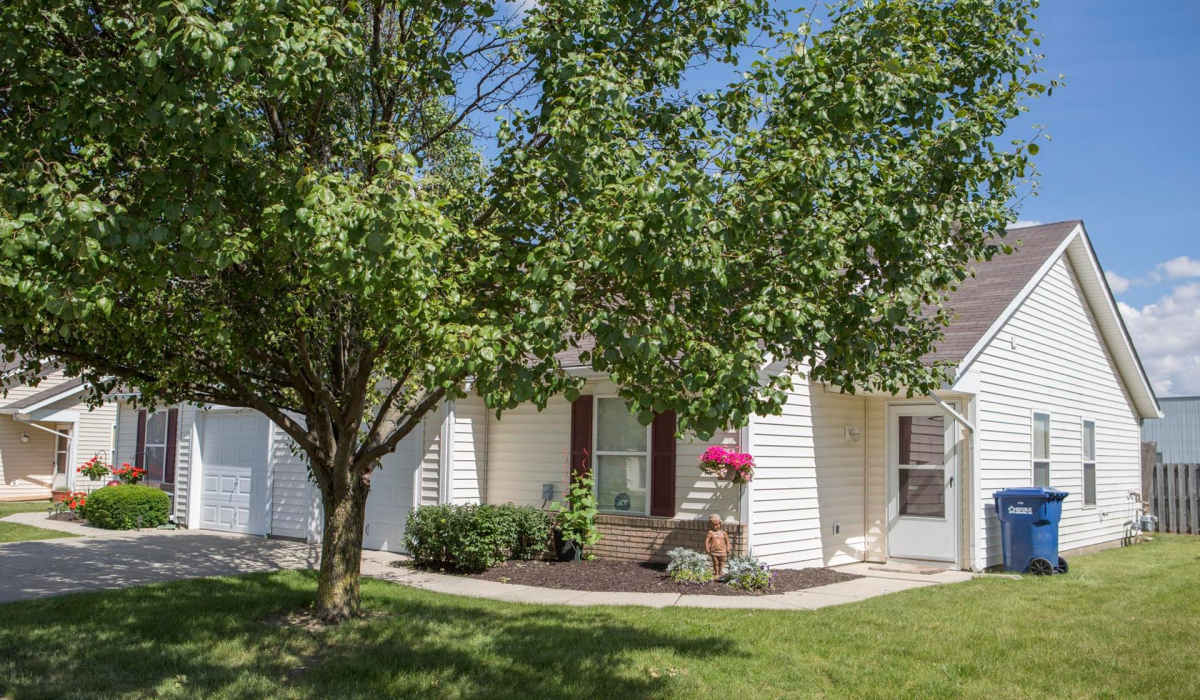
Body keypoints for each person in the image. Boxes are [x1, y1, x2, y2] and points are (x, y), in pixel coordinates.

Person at [705, 514, 731, 578]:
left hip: (723, 551)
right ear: (710, 525)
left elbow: (727, 541)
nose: (715, 526)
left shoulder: (723, 533)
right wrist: (707, 548)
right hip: (714, 551)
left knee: (722, 562)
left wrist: (728, 548)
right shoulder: (710, 532)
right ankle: (716, 572)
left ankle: (720, 571)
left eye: (717, 524)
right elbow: (707, 541)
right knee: (715, 562)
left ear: (720, 524)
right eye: (713, 525)